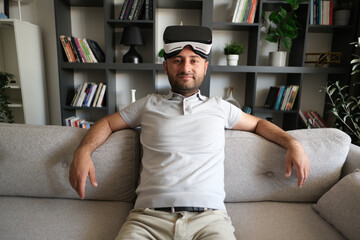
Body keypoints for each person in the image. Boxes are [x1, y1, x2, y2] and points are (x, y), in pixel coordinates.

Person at [69, 26, 310, 239]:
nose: (186, 67)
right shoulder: (147, 104)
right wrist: (83, 151)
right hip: (147, 220)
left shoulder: (220, 107)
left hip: (209, 221)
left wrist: (293, 143)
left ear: (205, 67)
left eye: (194, 60)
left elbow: (258, 124)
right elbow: (108, 123)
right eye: (177, 60)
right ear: (166, 66)